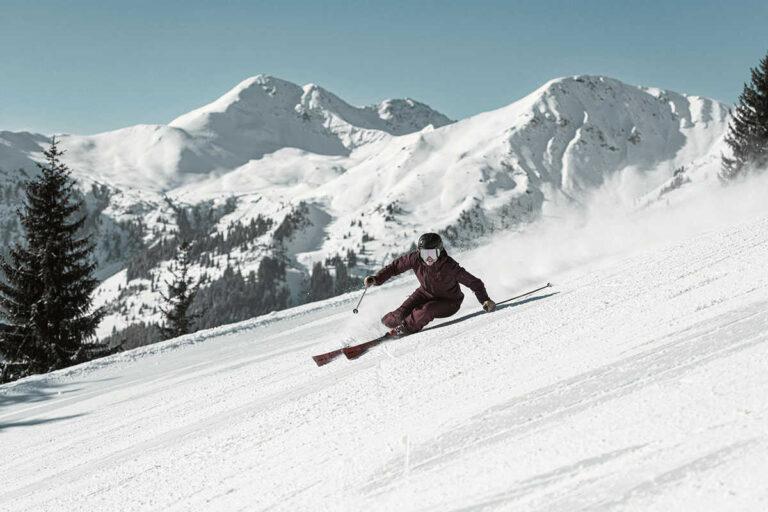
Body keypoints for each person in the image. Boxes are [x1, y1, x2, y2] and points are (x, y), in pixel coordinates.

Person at [364, 233, 496, 336]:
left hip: (449, 302)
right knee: (398, 316)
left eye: (432, 254)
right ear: (419, 252)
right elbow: (395, 267)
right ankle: (381, 325)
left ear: (439, 251)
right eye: (424, 254)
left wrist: (485, 300)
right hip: (424, 293)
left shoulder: (449, 266)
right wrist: (377, 278)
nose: (428, 259)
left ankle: (403, 329)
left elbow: (474, 282)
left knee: (427, 309)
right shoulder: (415, 258)